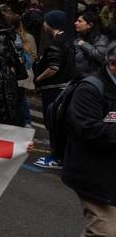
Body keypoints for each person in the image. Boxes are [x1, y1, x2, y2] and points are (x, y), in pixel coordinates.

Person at [63, 44, 116, 237]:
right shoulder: (90, 88)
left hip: (112, 172)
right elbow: (88, 129)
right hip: (91, 171)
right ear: (113, 64)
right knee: (103, 230)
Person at [33, 10, 76, 169]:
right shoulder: (66, 40)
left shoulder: (55, 43)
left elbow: (53, 67)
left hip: (53, 90)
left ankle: (56, 157)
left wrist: (39, 78)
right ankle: (61, 156)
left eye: (46, 21)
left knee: (53, 123)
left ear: (51, 24)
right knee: (59, 124)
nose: (43, 24)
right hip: (63, 88)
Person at [75, 11, 110, 77]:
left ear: (89, 25)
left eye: (80, 21)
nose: (75, 23)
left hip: (92, 79)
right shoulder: (79, 38)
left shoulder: (101, 39)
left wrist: (83, 44)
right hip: (79, 77)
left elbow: (100, 56)